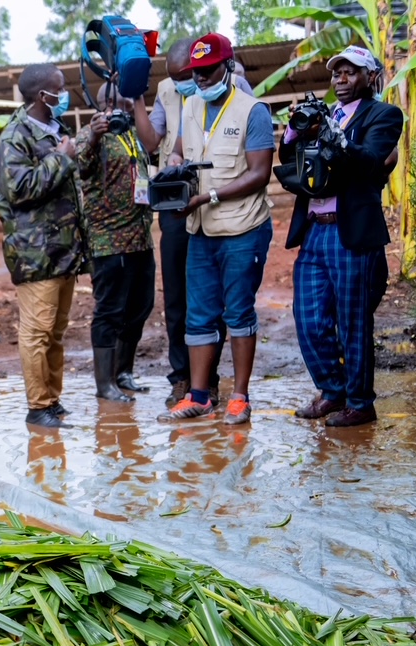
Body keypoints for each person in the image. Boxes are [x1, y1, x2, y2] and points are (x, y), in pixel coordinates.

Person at [280, 46, 402, 427]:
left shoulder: (384, 115)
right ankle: (333, 391)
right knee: (309, 318)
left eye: (351, 72)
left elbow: (369, 162)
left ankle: (361, 403)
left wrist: (336, 136)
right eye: (337, 74)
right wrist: (297, 130)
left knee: (353, 322)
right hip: (315, 230)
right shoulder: (324, 114)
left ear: (370, 77)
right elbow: (290, 163)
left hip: (351, 230)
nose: (341, 80)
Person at [160, 33, 275, 426]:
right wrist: (174, 166)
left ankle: (240, 398)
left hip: (242, 228)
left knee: (238, 312)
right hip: (201, 230)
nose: (202, 79)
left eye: (208, 71)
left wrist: (207, 197)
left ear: (227, 67)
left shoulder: (252, 111)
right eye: (197, 72)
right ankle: (199, 396)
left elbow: (260, 174)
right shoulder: (191, 106)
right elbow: (180, 148)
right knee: (199, 315)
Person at [134, 38, 255, 407]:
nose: (190, 83)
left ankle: (212, 380)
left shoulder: (236, 86)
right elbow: (155, 142)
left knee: (216, 298)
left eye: (191, 75)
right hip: (179, 203)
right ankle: (182, 377)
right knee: (177, 297)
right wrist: (136, 100)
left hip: (220, 205)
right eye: (177, 78)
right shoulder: (168, 92)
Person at [0, 63, 89, 429]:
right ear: (41, 95)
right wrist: (62, 157)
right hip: (36, 253)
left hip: (63, 251)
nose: (64, 95)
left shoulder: (53, 129)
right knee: (37, 330)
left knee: (56, 330)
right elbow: (20, 189)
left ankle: (53, 400)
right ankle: (38, 405)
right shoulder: (16, 136)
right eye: (58, 89)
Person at [75, 81, 155, 402]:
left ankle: (124, 372)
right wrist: (94, 134)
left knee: (140, 307)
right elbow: (79, 164)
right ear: (102, 104)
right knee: (110, 311)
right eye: (115, 103)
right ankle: (104, 384)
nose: (121, 108)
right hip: (109, 242)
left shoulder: (131, 133)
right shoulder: (90, 134)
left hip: (140, 238)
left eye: (125, 102)